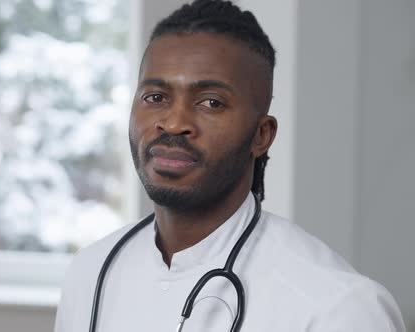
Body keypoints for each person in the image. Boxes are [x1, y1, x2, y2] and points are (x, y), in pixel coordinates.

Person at [55, 0, 406, 331]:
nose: (174, 123)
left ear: (261, 135)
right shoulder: (91, 273)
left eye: (211, 102)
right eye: (155, 97)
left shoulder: (339, 307)